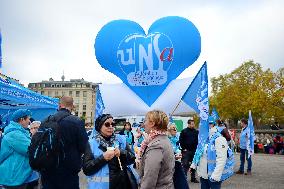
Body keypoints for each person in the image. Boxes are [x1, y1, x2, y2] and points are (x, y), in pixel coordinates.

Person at [40, 96, 89, 189]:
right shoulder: (77, 121)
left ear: (59, 105)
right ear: (72, 106)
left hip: (47, 168)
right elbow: (84, 147)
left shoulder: (45, 120)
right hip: (69, 170)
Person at [83, 114, 136, 189]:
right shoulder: (91, 143)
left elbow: (132, 158)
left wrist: (122, 152)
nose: (111, 126)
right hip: (101, 186)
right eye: (107, 124)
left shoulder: (121, 140)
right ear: (99, 126)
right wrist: (103, 158)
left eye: (113, 124)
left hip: (121, 185)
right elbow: (86, 169)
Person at [138, 110, 175, 189]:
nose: (144, 124)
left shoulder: (156, 145)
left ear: (152, 123)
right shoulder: (164, 139)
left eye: (145, 121)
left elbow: (149, 179)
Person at [0, 109, 36, 188]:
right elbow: (31, 150)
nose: (29, 121)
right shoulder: (15, 134)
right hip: (13, 177)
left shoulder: (19, 132)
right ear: (22, 119)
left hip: (16, 176)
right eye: (28, 119)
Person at [190, 125, 231, 189]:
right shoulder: (204, 138)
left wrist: (216, 175)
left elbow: (222, 159)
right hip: (203, 174)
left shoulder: (219, 138)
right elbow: (198, 152)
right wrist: (194, 164)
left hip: (214, 176)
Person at [168, 124, 189, 189]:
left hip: (177, 162)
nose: (176, 130)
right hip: (169, 164)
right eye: (174, 129)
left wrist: (180, 153)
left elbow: (178, 148)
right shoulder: (167, 139)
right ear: (169, 130)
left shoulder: (176, 138)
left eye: (176, 129)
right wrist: (174, 156)